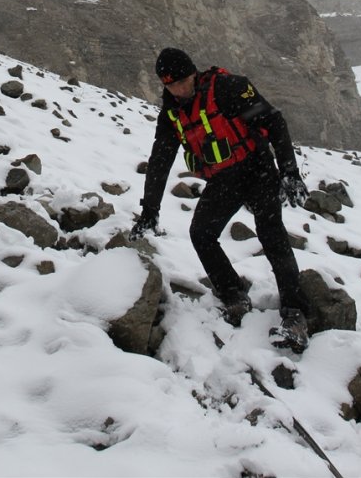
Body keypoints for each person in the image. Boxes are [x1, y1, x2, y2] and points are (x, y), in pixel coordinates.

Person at [131, 47, 310, 352]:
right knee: (201, 233)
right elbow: (160, 161)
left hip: (257, 170)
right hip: (224, 180)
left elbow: (274, 122)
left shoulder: (228, 90)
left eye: (182, 82)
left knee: (271, 235)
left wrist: (289, 171)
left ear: (193, 74)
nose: (178, 90)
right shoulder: (172, 115)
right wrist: (150, 211)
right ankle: (234, 296)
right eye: (170, 86)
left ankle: (295, 315)